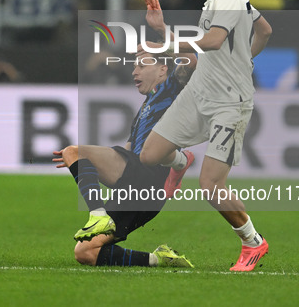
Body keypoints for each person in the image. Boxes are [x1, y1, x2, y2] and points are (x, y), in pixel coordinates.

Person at [137, 0, 273, 272]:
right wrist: (163, 30)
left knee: (211, 186)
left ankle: (252, 242)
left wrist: (167, 41)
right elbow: (264, 30)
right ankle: (182, 160)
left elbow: (213, 41)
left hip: (229, 102)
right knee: (149, 154)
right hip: (199, 93)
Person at [53, 47, 196, 267]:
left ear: (162, 70)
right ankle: (159, 258)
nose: (134, 72)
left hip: (147, 176)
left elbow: (191, 59)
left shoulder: (171, 88)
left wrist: (163, 45)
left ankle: (98, 216)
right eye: (133, 67)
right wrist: (87, 168)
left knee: (73, 151)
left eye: (141, 65)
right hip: (141, 191)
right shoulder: (145, 107)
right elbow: (128, 150)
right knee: (85, 253)